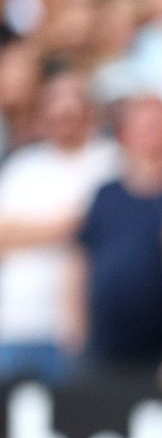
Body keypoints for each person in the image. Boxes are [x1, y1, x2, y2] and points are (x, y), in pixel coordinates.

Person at [0, 67, 118, 383]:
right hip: (12, 325)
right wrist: (64, 226)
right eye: (54, 101)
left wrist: (21, 232)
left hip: (72, 331)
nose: (62, 111)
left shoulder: (110, 161)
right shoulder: (21, 167)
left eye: (72, 101)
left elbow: (93, 224)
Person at [75, 95, 162, 377]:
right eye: (147, 127)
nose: (157, 135)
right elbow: (80, 261)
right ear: (126, 136)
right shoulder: (106, 194)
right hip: (106, 349)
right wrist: (76, 329)